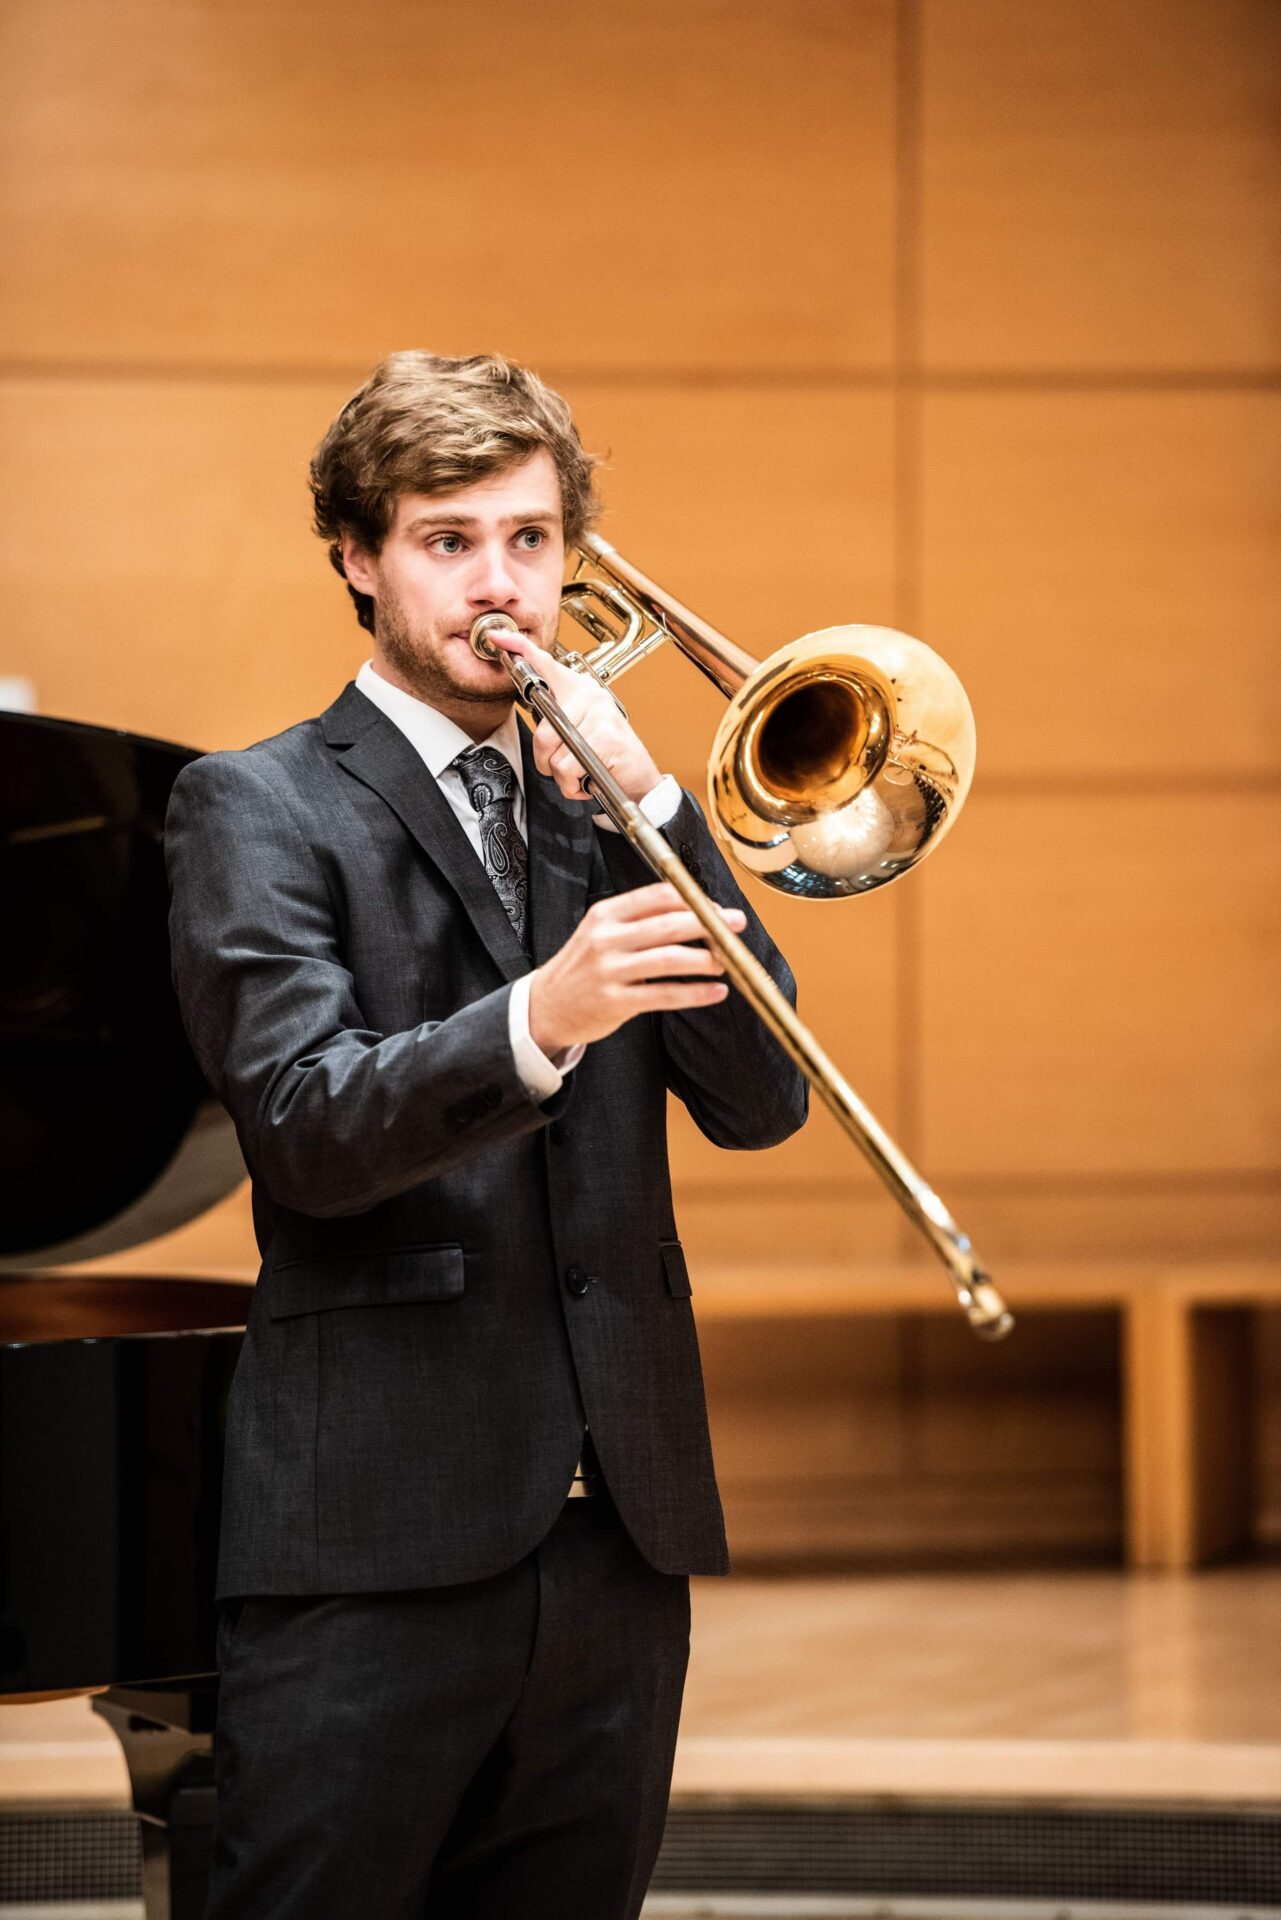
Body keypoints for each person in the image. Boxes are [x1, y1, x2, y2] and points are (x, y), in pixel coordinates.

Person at [165, 350, 808, 1920]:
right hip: (372, 1543)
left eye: (529, 539)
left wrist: (659, 809)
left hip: (616, 1539)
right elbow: (309, 1127)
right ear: (357, 558)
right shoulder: (254, 806)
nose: (499, 584)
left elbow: (764, 1095)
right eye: (447, 541)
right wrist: (542, 1015)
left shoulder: (604, 803)